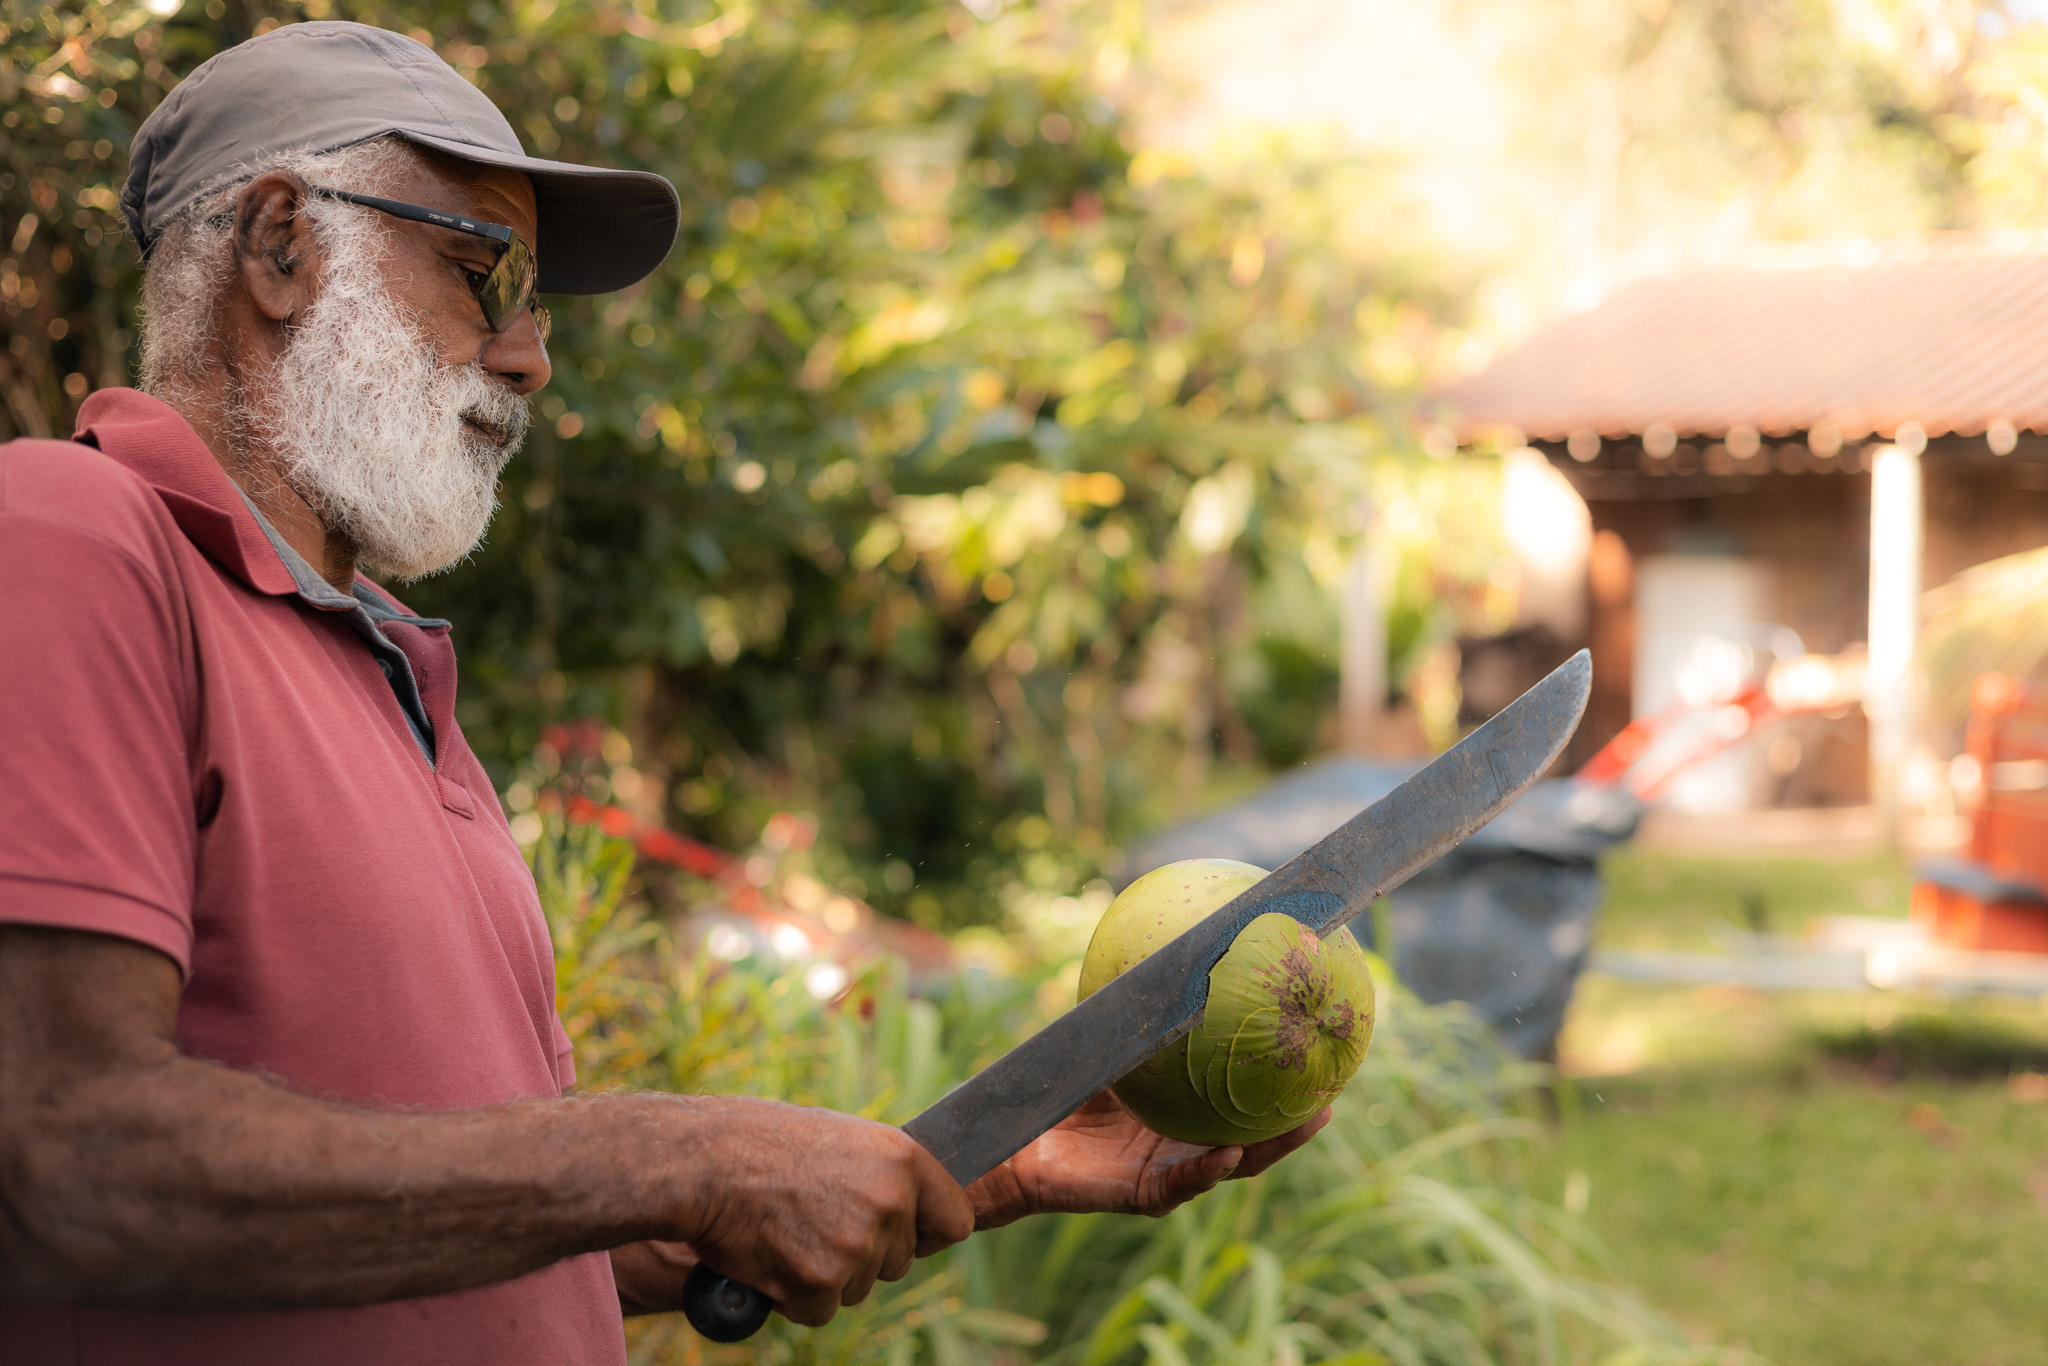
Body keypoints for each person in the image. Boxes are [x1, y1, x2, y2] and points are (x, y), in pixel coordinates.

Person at [0, 21, 1327, 1366]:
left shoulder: (390, 675)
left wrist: (974, 1160)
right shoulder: (70, 534)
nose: (529, 356)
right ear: (281, 246)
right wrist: (677, 1153)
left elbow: (514, 1223)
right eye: (483, 274)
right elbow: (63, 1150)